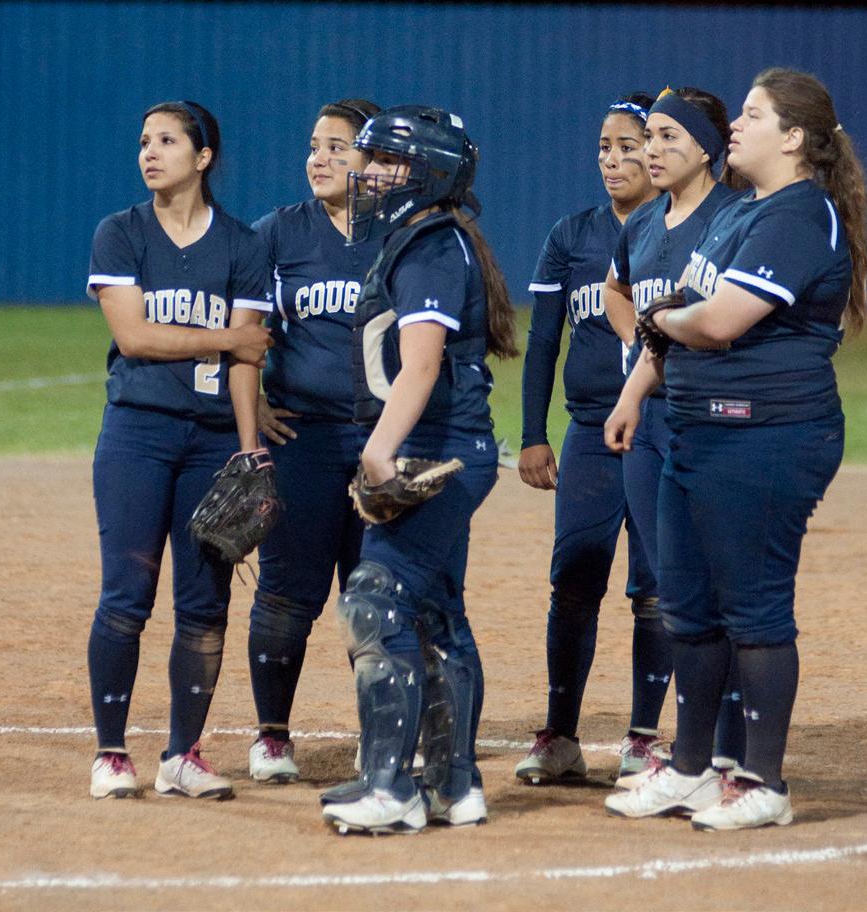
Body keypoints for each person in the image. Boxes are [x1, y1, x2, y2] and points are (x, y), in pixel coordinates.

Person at [603, 68, 867, 829]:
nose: (736, 127)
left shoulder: (798, 214)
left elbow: (717, 321)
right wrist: (646, 370)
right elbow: (688, 312)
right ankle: (692, 769)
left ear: (793, 137)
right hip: (698, 430)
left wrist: (666, 319)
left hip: (765, 435)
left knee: (753, 610)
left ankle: (763, 783)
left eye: (752, 115)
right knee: (688, 607)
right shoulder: (741, 211)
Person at [320, 105, 519, 835]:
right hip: (450, 447)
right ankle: (454, 785)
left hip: (435, 451)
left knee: (374, 599)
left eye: (384, 161)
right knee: (434, 611)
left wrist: (378, 453)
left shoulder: (431, 244)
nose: (367, 173)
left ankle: (389, 788)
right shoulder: (431, 239)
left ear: (427, 173)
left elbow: (422, 364)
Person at [86, 101, 272, 800]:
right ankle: (111, 753)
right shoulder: (120, 233)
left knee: (204, 603)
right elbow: (134, 338)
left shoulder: (242, 245)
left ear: (203, 157)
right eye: (144, 141)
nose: (149, 152)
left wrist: (250, 451)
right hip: (137, 434)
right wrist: (225, 338)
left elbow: (249, 360)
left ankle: (181, 755)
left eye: (167, 140)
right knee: (126, 596)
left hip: (213, 443)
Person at [513, 96, 661, 786]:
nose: (613, 159)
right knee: (573, 581)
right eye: (605, 146)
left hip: (663, 428)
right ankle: (561, 735)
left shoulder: (683, 231)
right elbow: (543, 340)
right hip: (590, 433)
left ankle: (642, 738)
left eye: (628, 145)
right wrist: (532, 434)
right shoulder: (572, 235)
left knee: (654, 589)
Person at [602, 87, 747, 787]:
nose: (650, 151)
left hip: (712, 418)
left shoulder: (735, 217)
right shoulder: (641, 223)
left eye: (667, 137)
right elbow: (618, 291)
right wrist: (638, 359)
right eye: (648, 137)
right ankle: (692, 751)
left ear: (707, 148)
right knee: (669, 587)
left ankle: (729, 747)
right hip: (651, 423)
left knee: (720, 589)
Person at [244, 99, 382, 784]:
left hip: (382, 441)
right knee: (286, 592)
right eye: (313, 146)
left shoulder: (403, 233)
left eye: (336, 146)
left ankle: (380, 733)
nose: (318, 159)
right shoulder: (278, 233)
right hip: (303, 439)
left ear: (373, 160)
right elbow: (240, 326)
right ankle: (273, 736)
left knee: (377, 593)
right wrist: (255, 403)